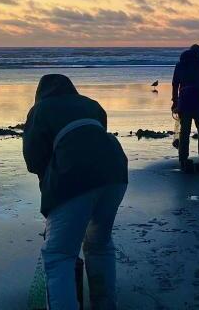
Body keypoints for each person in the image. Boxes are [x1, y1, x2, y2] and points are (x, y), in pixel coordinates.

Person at [23, 74, 128, 310]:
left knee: (58, 255)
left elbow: (33, 160)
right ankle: (105, 305)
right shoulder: (92, 105)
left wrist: (52, 192)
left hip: (75, 175)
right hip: (115, 171)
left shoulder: (40, 110)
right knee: (99, 244)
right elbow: (92, 139)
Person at [171, 44, 199, 172]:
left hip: (184, 101)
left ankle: (183, 159)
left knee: (184, 131)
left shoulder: (179, 65)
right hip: (198, 100)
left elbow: (175, 84)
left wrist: (175, 101)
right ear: (197, 54)